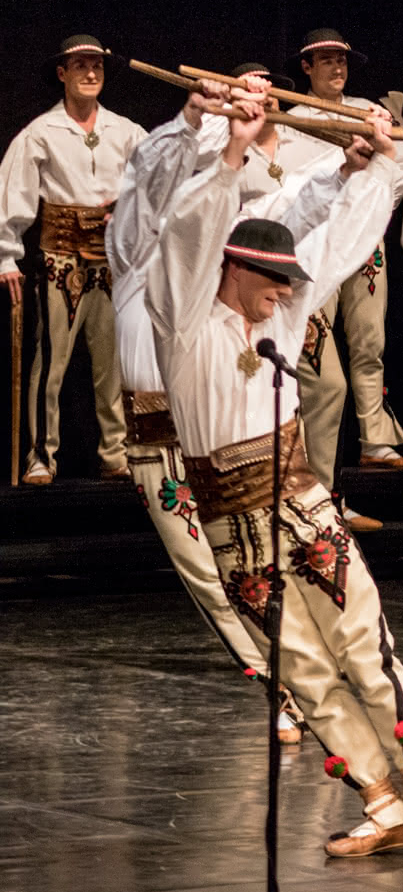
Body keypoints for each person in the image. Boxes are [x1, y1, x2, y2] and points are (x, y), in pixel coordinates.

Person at [147, 93, 403, 857]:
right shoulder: (184, 322)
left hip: (301, 505)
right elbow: (187, 236)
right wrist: (227, 157)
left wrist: (373, 163)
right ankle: (379, 796)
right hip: (229, 524)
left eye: (288, 280)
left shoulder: (283, 315)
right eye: (272, 278)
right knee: (303, 674)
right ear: (236, 269)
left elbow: (337, 240)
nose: (287, 291)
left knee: (366, 649)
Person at [108, 77, 309, 742]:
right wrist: (194, 119)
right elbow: (149, 182)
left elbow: (291, 207)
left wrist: (358, 160)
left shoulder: (224, 254)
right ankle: (280, 684)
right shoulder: (142, 246)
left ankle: (305, 672)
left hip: (227, 428)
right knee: (210, 571)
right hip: (161, 430)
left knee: (265, 560)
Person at [277, 29, 403, 531]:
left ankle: (375, 436)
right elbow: (293, 184)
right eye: (325, 61)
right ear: (307, 67)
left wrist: (375, 204)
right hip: (319, 244)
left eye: (342, 60)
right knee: (318, 363)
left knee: (369, 339)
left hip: (366, 237)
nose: (336, 68)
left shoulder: (368, 110)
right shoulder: (291, 121)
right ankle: (315, 490)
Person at [2, 34, 145, 484]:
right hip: (59, 256)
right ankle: (41, 455)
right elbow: (14, 197)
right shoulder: (41, 133)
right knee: (51, 362)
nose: (90, 73)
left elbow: (155, 184)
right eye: (80, 66)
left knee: (112, 363)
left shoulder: (125, 131)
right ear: (62, 73)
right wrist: (7, 256)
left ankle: (115, 454)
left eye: (97, 67)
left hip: (109, 259)